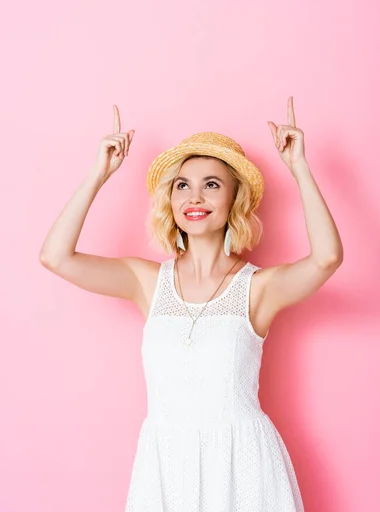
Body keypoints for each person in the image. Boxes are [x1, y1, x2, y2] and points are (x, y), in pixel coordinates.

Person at [39, 97, 343, 511]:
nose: (194, 197)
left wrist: (300, 167)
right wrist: (99, 173)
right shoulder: (146, 282)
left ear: (235, 198)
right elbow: (55, 257)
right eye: (182, 185)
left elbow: (326, 258)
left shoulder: (257, 289)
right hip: (166, 466)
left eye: (212, 184)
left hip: (242, 465)